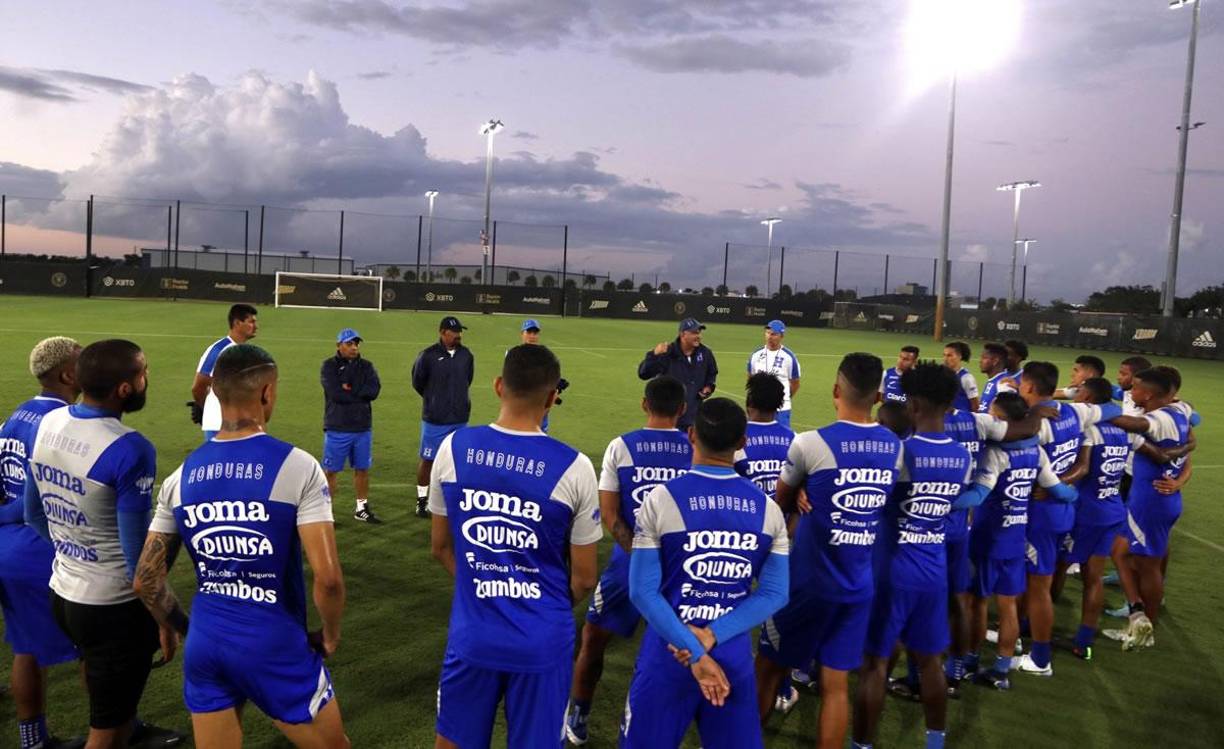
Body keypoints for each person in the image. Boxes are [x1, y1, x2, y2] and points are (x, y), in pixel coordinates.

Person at [133, 344, 350, 748]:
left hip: (206, 642)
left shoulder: (181, 477)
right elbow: (329, 579)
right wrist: (331, 634)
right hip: (273, 643)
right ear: (267, 392)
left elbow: (145, 581)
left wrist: (183, 627)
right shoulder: (297, 466)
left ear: (213, 393)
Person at [428, 344, 601, 748]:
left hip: (474, 634)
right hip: (543, 640)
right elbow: (585, 577)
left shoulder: (452, 448)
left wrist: (481, 585)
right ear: (553, 395)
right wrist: (538, 599)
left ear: (497, 386)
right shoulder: (574, 466)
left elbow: (440, 547)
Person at [24, 339, 184, 748]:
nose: (148, 377)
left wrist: (74, 548)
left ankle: (127, 728)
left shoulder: (48, 423)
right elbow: (139, 567)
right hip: (112, 608)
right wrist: (173, 621)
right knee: (106, 733)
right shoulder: (130, 448)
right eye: (143, 371)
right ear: (125, 389)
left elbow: (34, 514)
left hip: (64, 593)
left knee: (106, 694)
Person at [619, 398, 789, 749]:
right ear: (743, 442)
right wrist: (712, 636)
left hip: (667, 650)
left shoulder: (661, 499)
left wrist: (694, 652)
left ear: (691, 435)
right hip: (730, 655)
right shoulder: (768, 510)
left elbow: (642, 591)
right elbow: (775, 592)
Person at [755, 353, 903, 749]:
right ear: (877, 396)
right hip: (857, 585)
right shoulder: (894, 447)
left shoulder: (810, 443)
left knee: (768, 670)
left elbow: (780, 501)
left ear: (836, 390)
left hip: (805, 583)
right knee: (836, 685)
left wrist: (805, 490)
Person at [566, 375, 691, 745]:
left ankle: (578, 716)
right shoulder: (692, 447)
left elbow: (609, 515)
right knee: (674, 650)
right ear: (682, 409)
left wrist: (639, 557)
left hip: (627, 566)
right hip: (679, 571)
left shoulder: (621, 446)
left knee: (593, 639)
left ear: (644, 404)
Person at [854, 363, 971, 749]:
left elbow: (874, 506)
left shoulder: (901, 454)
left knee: (875, 664)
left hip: (893, 569)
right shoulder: (961, 456)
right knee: (929, 660)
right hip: (933, 568)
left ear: (915, 405)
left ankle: (862, 744)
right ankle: (935, 741)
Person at [953, 392, 1076, 691]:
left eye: (995, 416)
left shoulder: (995, 454)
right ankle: (1001, 670)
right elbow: (1060, 491)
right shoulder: (1037, 453)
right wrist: (1076, 498)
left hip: (988, 538)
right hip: (1017, 538)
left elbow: (979, 496)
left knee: (978, 603)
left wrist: (944, 500)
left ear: (1006, 421)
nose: (992, 420)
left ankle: (969, 660)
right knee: (1008, 607)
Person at [0, 337, 83, 749]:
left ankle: (33, 741)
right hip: (42, 549)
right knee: (95, 641)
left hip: (8, 546)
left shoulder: (18, 414)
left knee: (26, 646)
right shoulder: (62, 423)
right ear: (68, 375)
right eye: (82, 362)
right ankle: (121, 726)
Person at [1104, 367, 1192, 651]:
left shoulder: (1157, 419)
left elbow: (1133, 425)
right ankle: (1137, 613)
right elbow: (1191, 443)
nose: (1132, 391)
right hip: (1159, 499)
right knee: (1119, 551)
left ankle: (1146, 628)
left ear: (1150, 394)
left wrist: (1093, 411)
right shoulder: (1181, 411)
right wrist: (1179, 476)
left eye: (1137, 387)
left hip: (1150, 502)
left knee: (1148, 566)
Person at [411, 316, 475, 518]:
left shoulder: (466, 355)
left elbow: (468, 380)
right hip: (435, 419)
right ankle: (422, 499)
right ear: (442, 333)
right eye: (453, 332)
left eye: (459, 332)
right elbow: (418, 382)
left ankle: (454, 500)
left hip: (459, 418)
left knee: (457, 460)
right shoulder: (428, 356)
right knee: (428, 459)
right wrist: (434, 399)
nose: (458, 335)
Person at [321, 328, 382, 523]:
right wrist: (358, 392)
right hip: (337, 427)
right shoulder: (328, 366)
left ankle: (361, 508)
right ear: (338, 345)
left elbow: (373, 391)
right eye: (349, 344)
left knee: (362, 469)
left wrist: (349, 388)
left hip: (362, 427)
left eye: (356, 343)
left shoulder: (367, 366)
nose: (354, 347)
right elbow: (336, 394)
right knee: (331, 472)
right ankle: (325, 511)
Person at [192, 304, 258, 441]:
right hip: (219, 425)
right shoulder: (219, 350)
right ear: (237, 323)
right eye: (251, 321)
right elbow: (199, 385)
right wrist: (205, 408)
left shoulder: (243, 351)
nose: (256, 326)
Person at [638, 318, 718, 430]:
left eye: (699, 333)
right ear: (682, 334)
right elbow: (644, 373)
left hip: (694, 416)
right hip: (669, 417)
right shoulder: (667, 352)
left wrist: (709, 387)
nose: (699, 336)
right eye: (694, 333)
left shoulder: (705, 353)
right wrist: (653, 355)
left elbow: (712, 373)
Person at [734, 373, 796, 501]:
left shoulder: (734, 438)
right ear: (780, 403)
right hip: (783, 518)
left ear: (749, 401)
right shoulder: (794, 439)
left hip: (748, 517)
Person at [746, 320, 801, 428]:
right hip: (758, 408)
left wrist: (782, 398)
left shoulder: (789, 357)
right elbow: (750, 379)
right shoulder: (756, 355)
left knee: (782, 440)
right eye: (768, 333)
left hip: (781, 408)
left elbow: (795, 383)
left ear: (781, 336)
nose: (770, 337)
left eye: (774, 334)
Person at [942, 342, 979, 413]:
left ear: (959, 356)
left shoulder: (966, 378)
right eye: (944, 355)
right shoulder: (942, 375)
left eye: (949, 355)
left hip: (962, 421)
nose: (945, 359)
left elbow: (975, 405)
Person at [976, 343, 1010, 414]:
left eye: (984, 358)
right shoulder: (993, 380)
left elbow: (1005, 416)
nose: (980, 361)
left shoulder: (1004, 384)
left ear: (995, 361)